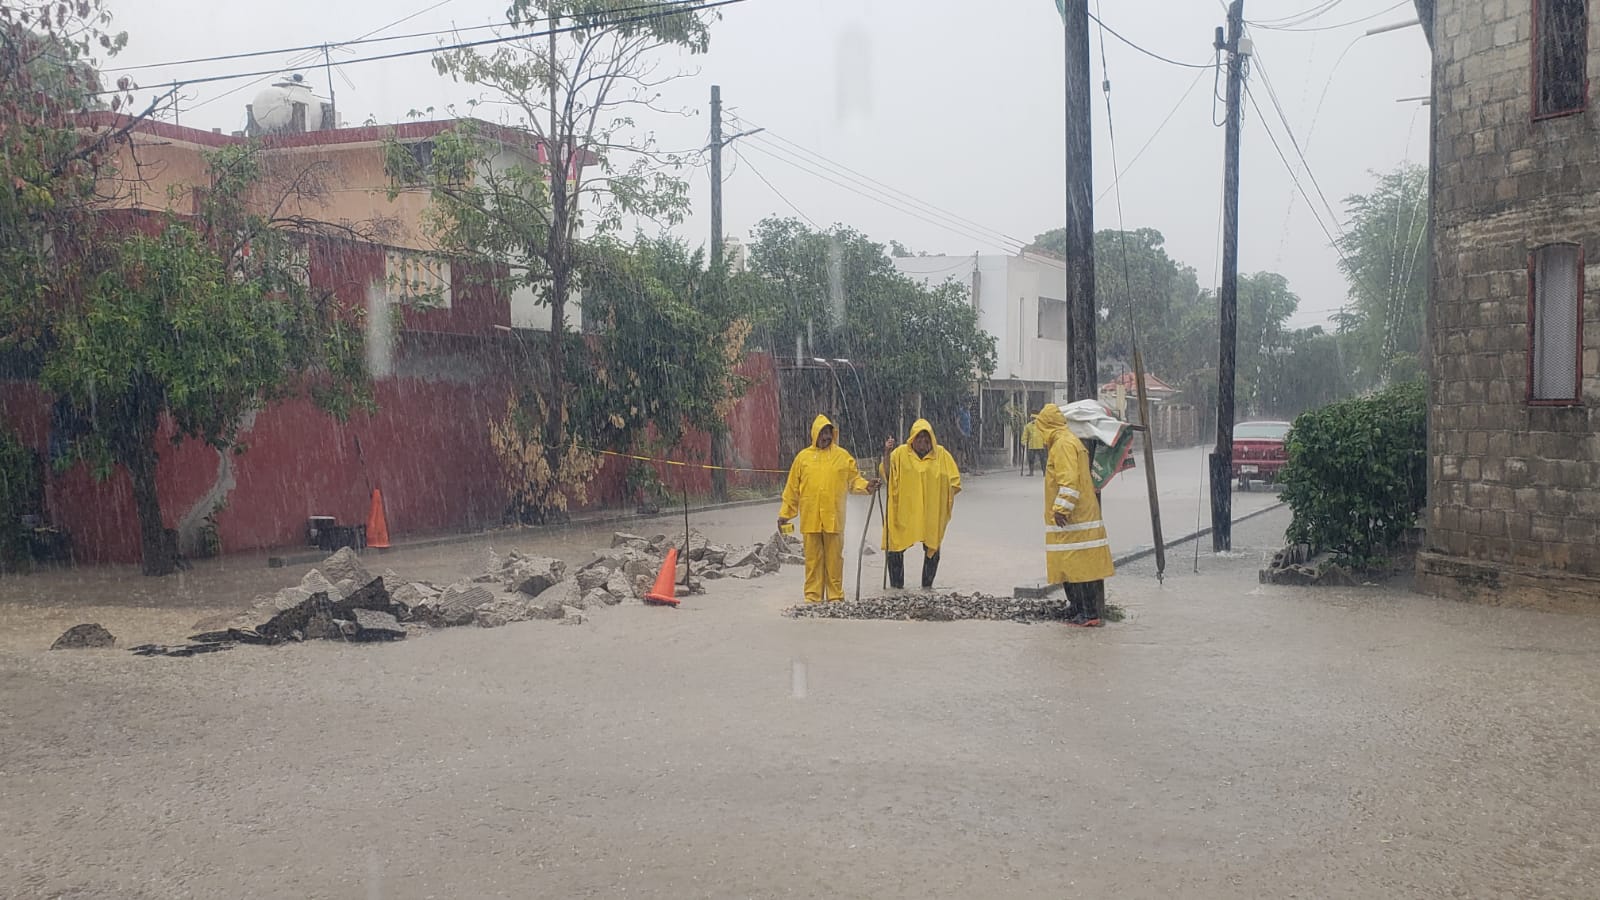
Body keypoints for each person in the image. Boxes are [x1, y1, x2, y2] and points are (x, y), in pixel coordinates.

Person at [777, 415, 880, 603]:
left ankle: (835, 598)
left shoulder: (842, 457)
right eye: (822, 433)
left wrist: (867, 486)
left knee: (834, 561)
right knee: (813, 562)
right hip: (811, 519)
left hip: (834, 518)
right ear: (815, 434)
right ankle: (812, 598)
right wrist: (785, 514)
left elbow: (854, 480)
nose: (826, 436)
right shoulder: (803, 458)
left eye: (828, 432)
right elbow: (792, 489)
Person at [1037, 403, 1115, 627]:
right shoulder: (1070, 441)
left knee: (1080, 568)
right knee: (1072, 566)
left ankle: (1088, 613)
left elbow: (1068, 481)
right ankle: (1078, 608)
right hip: (1078, 517)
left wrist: (1061, 509)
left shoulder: (1062, 445)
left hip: (1074, 519)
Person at [880, 419, 961, 590]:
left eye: (926, 438)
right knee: (895, 547)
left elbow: (954, 482)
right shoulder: (900, 454)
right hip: (904, 511)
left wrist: (942, 497)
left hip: (930, 512)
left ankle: (927, 587)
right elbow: (887, 474)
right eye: (919, 437)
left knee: (932, 547)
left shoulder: (942, 455)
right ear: (912, 438)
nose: (923, 441)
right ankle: (896, 589)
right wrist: (887, 453)